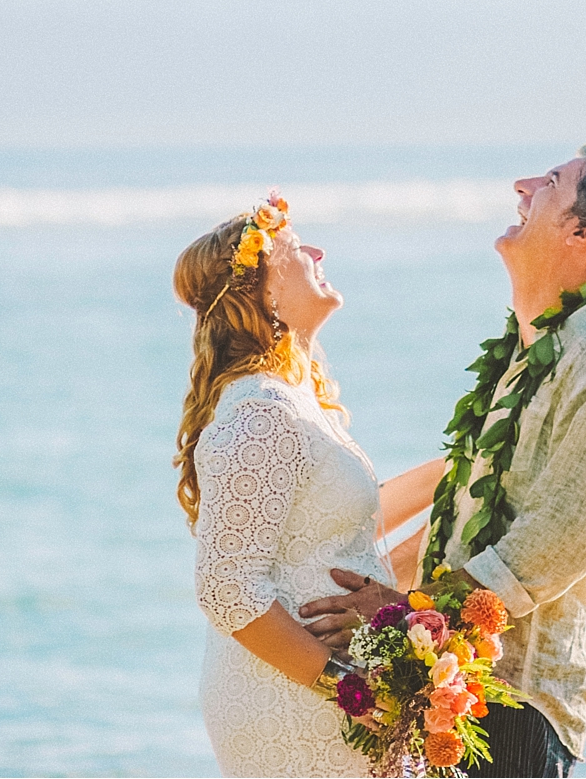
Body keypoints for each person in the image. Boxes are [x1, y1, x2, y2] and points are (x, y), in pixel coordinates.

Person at [301, 141, 586, 777]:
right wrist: (378, 596)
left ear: (584, 230)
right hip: (456, 689)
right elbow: (471, 516)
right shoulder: (536, 351)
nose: (523, 185)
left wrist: (399, 616)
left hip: (515, 701)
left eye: (552, 182)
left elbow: (552, 544)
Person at [173, 191, 444, 778]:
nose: (318, 251)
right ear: (262, 292)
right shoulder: (262, 410)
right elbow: (225, 586)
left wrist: (459, 474)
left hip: (329, 690)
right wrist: (348, 688)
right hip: (295, 697)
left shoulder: (293, 402)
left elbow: (342, 530)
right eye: (297, 249)